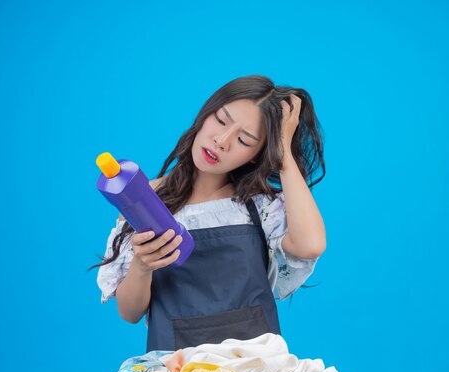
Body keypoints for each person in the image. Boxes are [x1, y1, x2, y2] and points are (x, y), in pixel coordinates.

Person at [89, 75, 327, 352]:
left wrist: (283, 151)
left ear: (256, 154)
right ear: (205, 115)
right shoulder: (146, 200)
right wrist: (142, 266)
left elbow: (310, 245)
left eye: (244, 139)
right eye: (221, 120)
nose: (222, 141)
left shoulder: (259, 207)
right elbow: (129, 313)